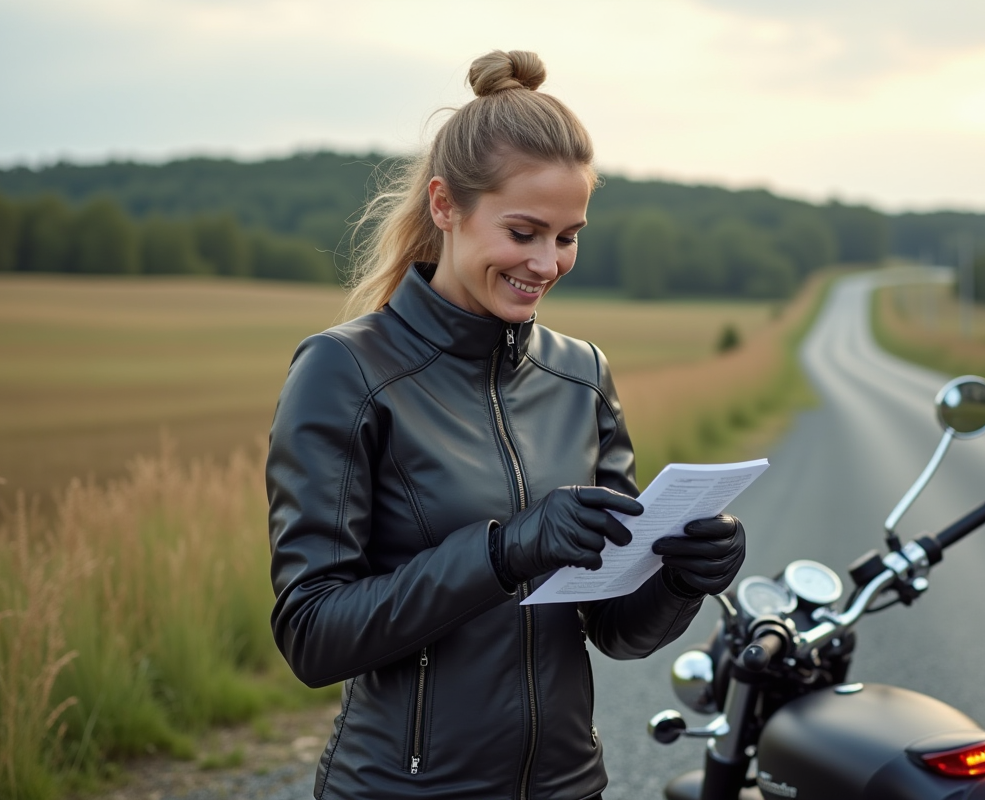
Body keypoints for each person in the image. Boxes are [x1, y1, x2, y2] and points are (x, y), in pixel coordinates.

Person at [266, 49, 747, 800]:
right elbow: (314, 633)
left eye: (568, 235)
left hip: (568, 785)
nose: (548, 263)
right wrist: (504, 551)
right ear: (445, 205)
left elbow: (615, 628)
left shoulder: (581, 375)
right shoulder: (345, 372)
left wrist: (681, 578)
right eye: (523, 232)